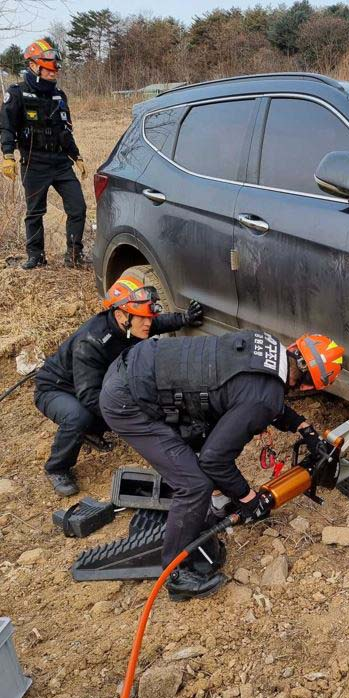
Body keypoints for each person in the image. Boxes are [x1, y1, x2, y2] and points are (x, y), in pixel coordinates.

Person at [100, 330, 345, 601]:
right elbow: (214, 459)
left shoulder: (266, 345)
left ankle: (209, 509)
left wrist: (302, 427)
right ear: (310, 387)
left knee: (205, 438)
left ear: (295, 347)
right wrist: (249, 498)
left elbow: (257, 395)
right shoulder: (266, 397)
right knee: (194, 485)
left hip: (131, 365)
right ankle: (176, 575)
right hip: (128, 403)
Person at [35, 273, 203, 497]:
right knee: (80, 416)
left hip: (89, 384)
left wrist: (183, 320)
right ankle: (57, 468)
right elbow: (89, 396)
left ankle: (91, 430)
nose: (148, 323)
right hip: (57, 390)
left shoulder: (129, 324)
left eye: (149, 317)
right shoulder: (91, 342)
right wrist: (132, 414)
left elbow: (153, 323)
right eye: (142, 318)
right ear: (121, 315)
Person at [0, 39, 87, 270]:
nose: (54, 71)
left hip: (60, 162)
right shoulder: (17, 93)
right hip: (34, 163)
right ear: (33, 65)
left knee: (78, 207)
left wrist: (76, 156)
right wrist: (7, 155)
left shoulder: (59, 96)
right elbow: (6, 127)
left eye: (55, 66)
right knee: (35, 212)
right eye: (49, 66)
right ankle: (36, 256)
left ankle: (74, 255)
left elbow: (65, 130)